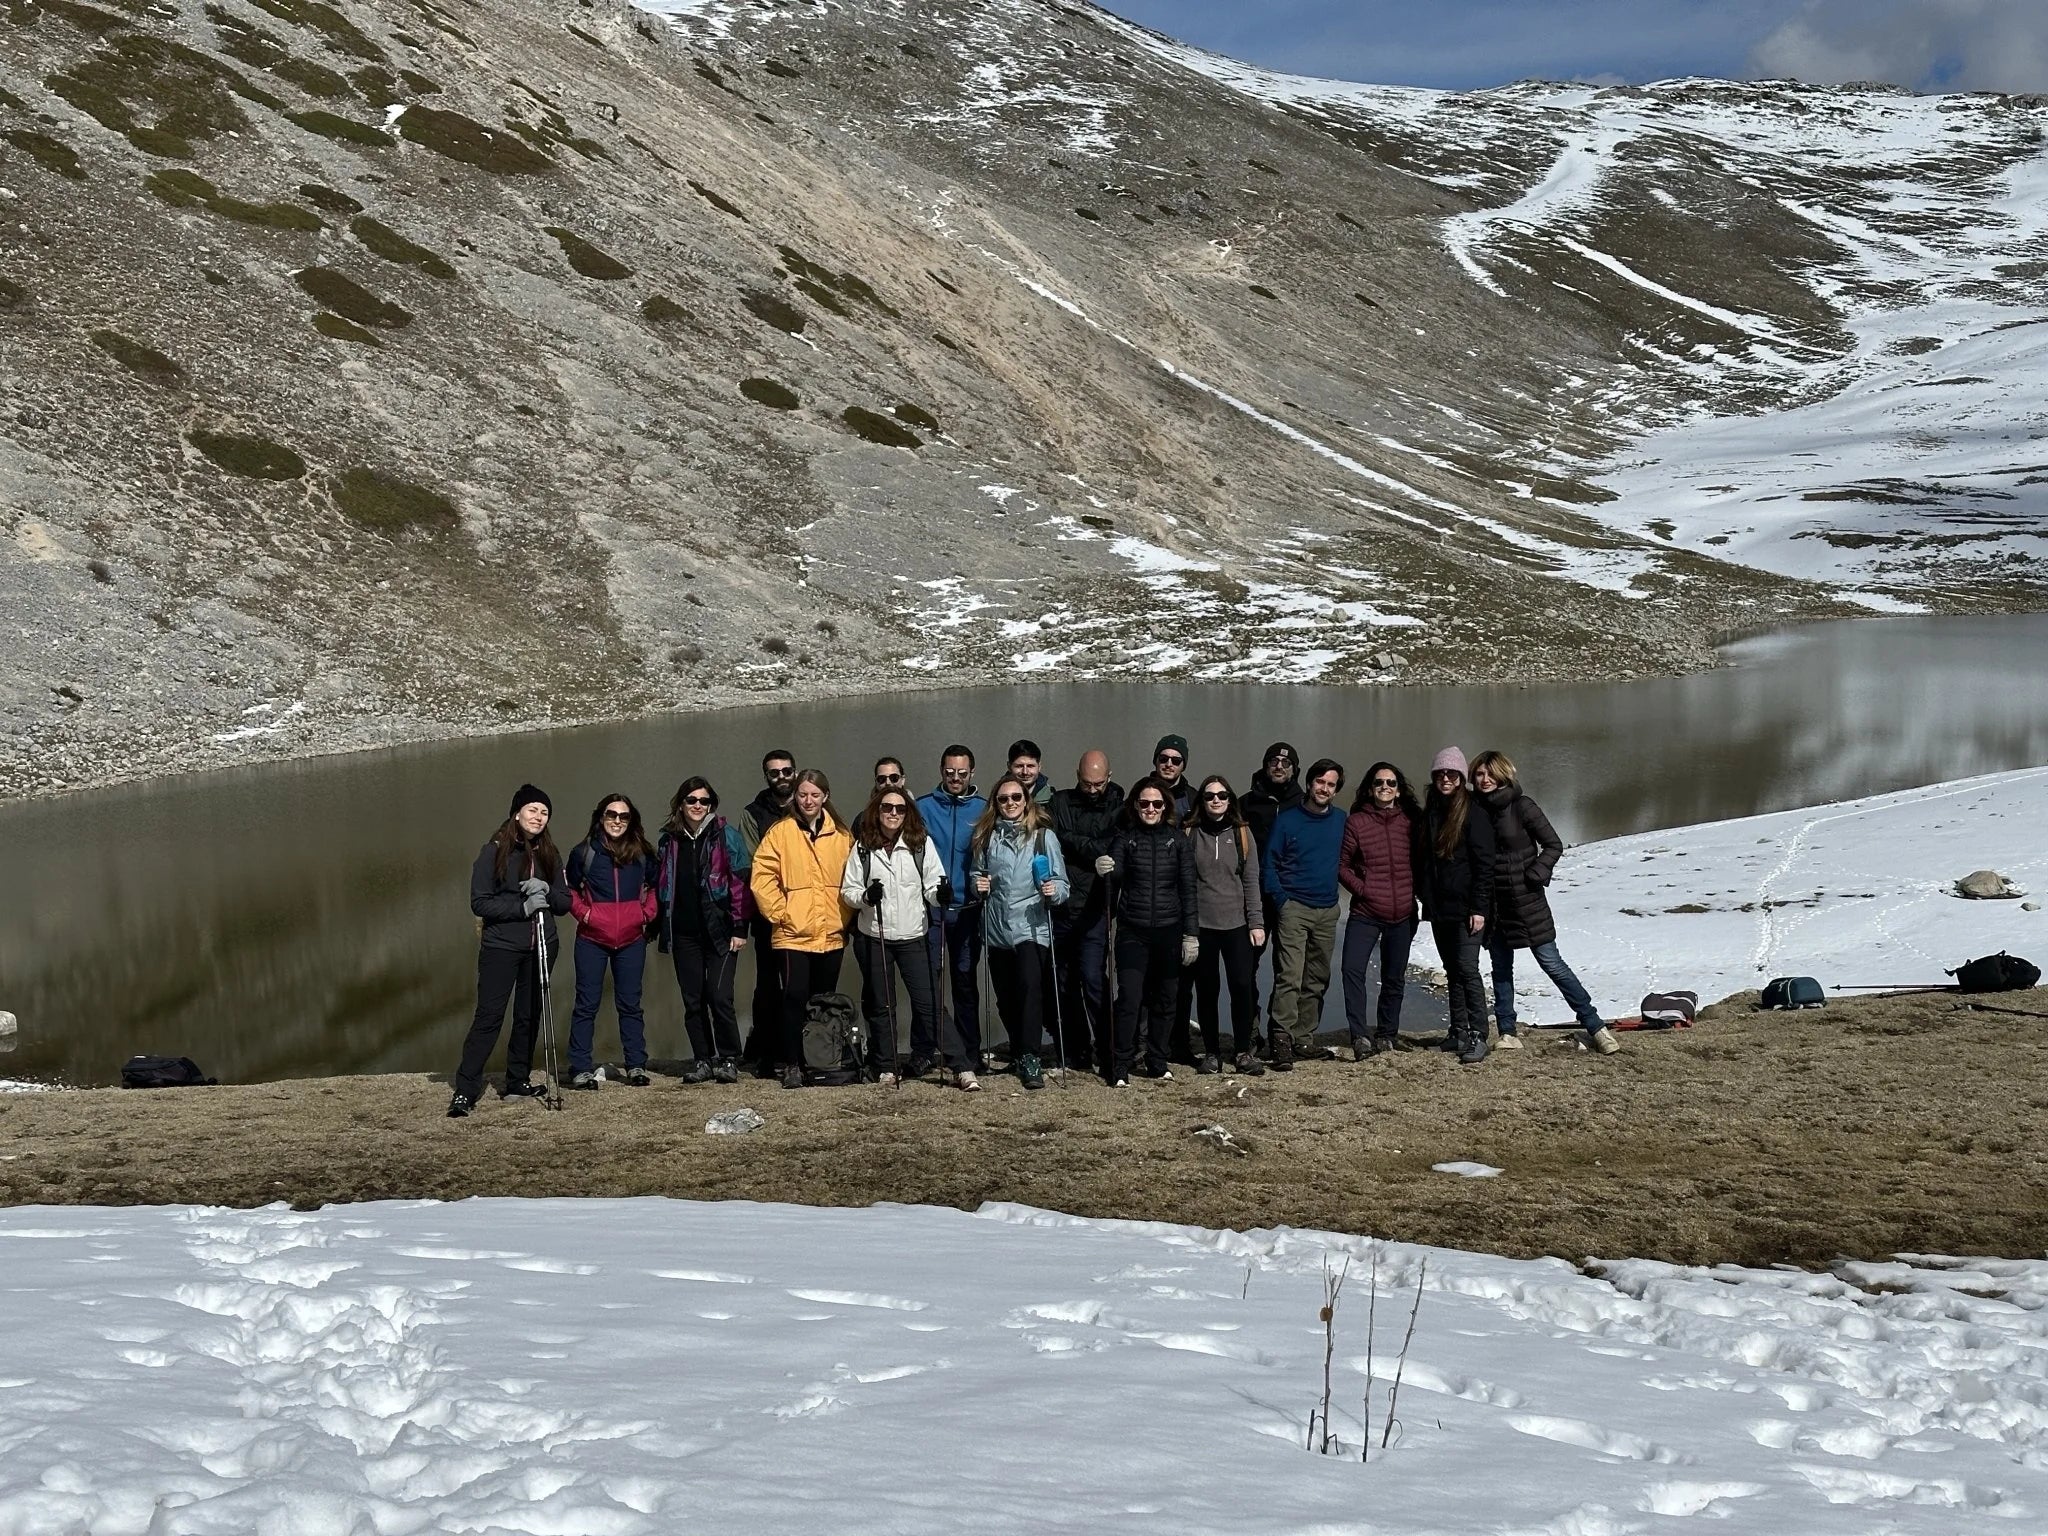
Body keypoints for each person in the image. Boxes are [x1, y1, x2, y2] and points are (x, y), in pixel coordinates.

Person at [1472, 750, 1620, 1056]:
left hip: (1527, 903)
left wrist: (1535, 874)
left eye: (1489, 774)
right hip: (1494, 906)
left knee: (1553, 964)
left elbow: (1553, 844)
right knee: (1500, 969)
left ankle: (1595, 1026)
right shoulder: (1473, 810)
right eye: (1478, 774)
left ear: (1503, 774)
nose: (1484, 780)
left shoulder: (1522, 806)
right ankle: (1508, 1032)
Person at [450, 784, 571, 1117]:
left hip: (542, 946)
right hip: (501, 947)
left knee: (528, 1015)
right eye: (532, 810)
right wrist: (523, 908)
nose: (538, 817)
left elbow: (564, 901)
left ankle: (517, 1080)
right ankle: (466, 1088)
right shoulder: (494, 851)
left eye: (544, 813)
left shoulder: (550, 853)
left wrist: (546, 889)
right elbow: (480, 902)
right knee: (489, 1018)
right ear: (517, 812)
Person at [749, 768, 855, 1089]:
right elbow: (762, 876)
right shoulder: (781, 833)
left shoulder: (841, 836)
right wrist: (781, 913)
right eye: (803, 794)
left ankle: (819, 1060)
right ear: (795, 796)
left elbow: (853, 878)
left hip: (831, 932)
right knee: (794, 996)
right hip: (792, 932)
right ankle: (792, 1062)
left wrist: (845, 915)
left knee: (822, 1001)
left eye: (815, 794)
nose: (808, 800)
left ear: (825, 797)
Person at [841, 786, 949, 1085]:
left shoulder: (920, 844)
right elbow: (848, 891)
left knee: (928, 1002)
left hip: (913, 934)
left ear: (908, 813)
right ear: (877, 811)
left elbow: (932, 885)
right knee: (882, 1004)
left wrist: (941, 894)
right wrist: (866, 896)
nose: (893, 814)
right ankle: (886, 1064)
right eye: (887, 808)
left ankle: (959, 1062)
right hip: (876, 934)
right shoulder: (864, 846)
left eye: (900, 809)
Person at [972, 774, 1070, 1089]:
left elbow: (1063, 885)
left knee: (1030, 992)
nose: (1011, 803)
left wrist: (1053, 890)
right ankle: (1017, 1049)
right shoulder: (986, 837)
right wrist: (978, 885)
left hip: (1032, 928)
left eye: (1016, 797)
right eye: (1004, 799)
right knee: (1006, 998)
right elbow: (977, 874)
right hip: (998, 928)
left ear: (1026, 801)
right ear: (996, 803)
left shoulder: (1043, 838)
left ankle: (1030, 1057)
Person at [1098, 774, 1197, 1085]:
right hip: (1133, 931)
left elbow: (1188, 889)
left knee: (1166, 998)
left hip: (1170, 930)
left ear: (1165, 806)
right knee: (1129, 998)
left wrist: (1191, 934)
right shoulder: (1125, 838)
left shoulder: (1178, 839)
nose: (1150, 808)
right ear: (1135, 806)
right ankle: (1120, 1065)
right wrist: (1106, 870)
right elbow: (1115, 878)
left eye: (1157, 803)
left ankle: (1157, 1060)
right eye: (1144, 803)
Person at [657, 777, 751, 1084]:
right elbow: (660, 886)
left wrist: (740, 927)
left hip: (721, 930)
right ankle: (703, 1059)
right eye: (691, 800)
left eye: (704, 801)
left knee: (720, 996)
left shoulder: (726, 836)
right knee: (693, 999)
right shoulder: (668, 840)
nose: (698, 806)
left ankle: (728, 1058)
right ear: (681, 804)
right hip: (684, 933)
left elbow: (740, 883)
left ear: (712, 804)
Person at [564, 794, 660, 1089]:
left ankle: (636, 1065)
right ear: (600, 817)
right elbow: (569, 890)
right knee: (586, 1004)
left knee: (630, 1004)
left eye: (624, 816)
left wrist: (646, 913)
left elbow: (656, 887)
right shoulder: (584, 853)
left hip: (631, 939)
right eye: (611, 815)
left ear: (632, 821)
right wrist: (586, 915)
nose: (617, 821)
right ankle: (580, 1067)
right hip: (592, 939)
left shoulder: (643, 853)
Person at [1262, 758, 1346, 1071]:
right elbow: (1269, 863)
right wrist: (1281, 901)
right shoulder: (1288, 820)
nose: (1324, 789)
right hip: (1294, 907)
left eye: (1331, 784)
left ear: (1336, 790)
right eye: (1320, 782)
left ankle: (1304, 1037)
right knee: (1290, 975)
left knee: (1318, 977)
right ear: (1309, 783)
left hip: (1327, 908)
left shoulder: (1340, 820)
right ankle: (1281, 1037)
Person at [1339, 762, 1424, 1059]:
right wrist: (1364, 890)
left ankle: (1387, 1033)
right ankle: (1360, 1035)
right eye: (1378, 783)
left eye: (1390, 783)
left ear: (1399, 790)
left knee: (1394, 976)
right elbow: (1342, 865)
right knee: (1352, 970)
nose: (1384, 788)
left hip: (1402, 912)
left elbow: (1424, 861)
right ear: (1370, 788)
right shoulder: (1357, 822)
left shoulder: (1412, 822)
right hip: (1366, 912)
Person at [1419, 747, 1496, 1065]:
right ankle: (1458, 1030)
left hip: (1468, 909)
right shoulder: (1432, 811)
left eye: (1452, 774)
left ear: (1462, 778)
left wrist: (1479, 908)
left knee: (1467, 968)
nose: (1446, 778)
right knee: (1451, 970)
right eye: (1441, 774)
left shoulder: (1474, 813)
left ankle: (1479, 1034)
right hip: (1440, 908)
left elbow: (1484, 865)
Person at [1186, 776, 1264, 1076]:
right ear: (1202, 801)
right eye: (1209, 796)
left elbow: (1250, 881)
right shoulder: (1191, 833)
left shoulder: (1243, 834)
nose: (1216, 800)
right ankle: (1212, 1053)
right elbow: (1186, 883)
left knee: (1242, 986)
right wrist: (1187, 928)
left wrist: (1256, 922)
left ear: (1230, 799)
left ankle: (1243, 1051)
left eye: (1222, 795)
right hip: (1202, 925)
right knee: (1207, 990)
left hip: (1237, 925)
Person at [1049, 750, 1122, 1073]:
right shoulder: (1060, 802)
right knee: (1065, 983)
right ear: (1076, 775)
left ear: (1108, 777)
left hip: (1096, 908)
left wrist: (1075, 845)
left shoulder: (1120, 807)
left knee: (1094, 979)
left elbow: (1113, 845)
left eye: (1098, 784)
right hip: (1062, 906)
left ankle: (1107, 1049)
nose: (1092, 790)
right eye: (1085, 783)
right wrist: (1089, 848)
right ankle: (1076, 1048)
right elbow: (1055, 837)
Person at [917, 745, 985, 1077]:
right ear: (941, 771)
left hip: (968, 909)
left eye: (961, 773)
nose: (955, 778)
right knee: (928, 982)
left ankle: (969, 1051)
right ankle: (925, 1048)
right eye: (949, 772)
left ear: (971, 773)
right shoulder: (923, 807)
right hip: (932, 910)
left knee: (964, 981)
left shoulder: (985, 808)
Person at [739, 749, 798, 1074]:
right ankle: (765, 1051)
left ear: (795, 771)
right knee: (767, 984)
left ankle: (806, 1048)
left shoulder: (809, 803)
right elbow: (752, 868)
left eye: (786, 771)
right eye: (774, 772)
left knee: (799, 984)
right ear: (766, 776)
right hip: (768, 915)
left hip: (808, 913)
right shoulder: (752, 814)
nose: (781, 777)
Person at [1151, 734, 1194, 820]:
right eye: (1163, 758)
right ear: (1156, 761)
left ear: (1183, 766)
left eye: (1176, 761)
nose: (1169, 764)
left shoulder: (1193, 798)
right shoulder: (1140, 792)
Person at [1008, 740, 1054, 806]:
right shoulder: (997, 798)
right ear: (1009, 767)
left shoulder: (1053, 798)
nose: (1025, 772)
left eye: (1030, 766)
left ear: (1039, 767)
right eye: (1019, 766)